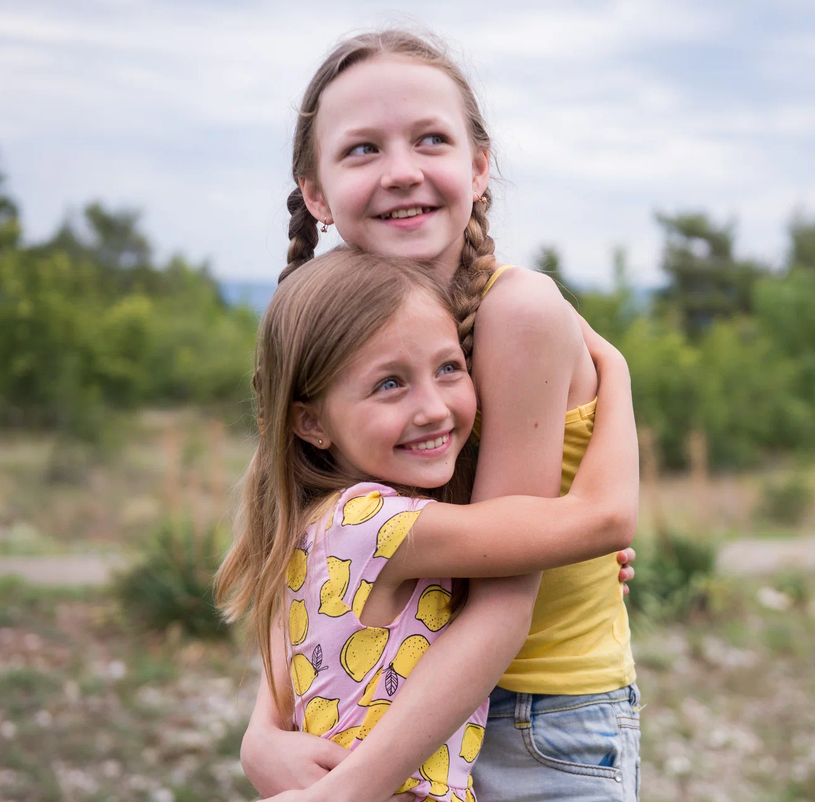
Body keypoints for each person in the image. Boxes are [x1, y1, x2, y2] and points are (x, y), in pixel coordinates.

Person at [238, 28, 642, 801]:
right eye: (362, 150)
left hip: (529, 716)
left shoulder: (516, 315)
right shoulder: (337, 323)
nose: (401, 172)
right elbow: (308, 549)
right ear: (315, 192)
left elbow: (501, 605)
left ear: (478, 165)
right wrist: (265, 729)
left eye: (431, 139)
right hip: (396, 707)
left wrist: (350, 785)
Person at [216, 248, 637, 801]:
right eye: (390, 384)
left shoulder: (315, 520)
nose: (434, 407)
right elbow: (605, 519)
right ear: (311, 422)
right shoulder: (374, 524)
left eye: (448, 369)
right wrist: (618, 374)